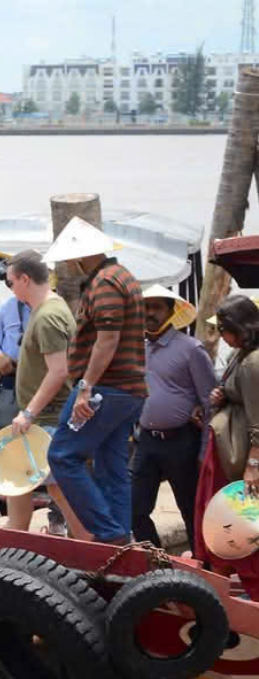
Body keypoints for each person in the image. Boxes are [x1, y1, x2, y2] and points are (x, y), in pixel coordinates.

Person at [45, 217, 147, 545]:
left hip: (106, 389)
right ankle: (120, 538)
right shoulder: (123, 276)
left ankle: (109, 534)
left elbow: (107, 340)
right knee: (111, 465)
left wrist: (85, 388)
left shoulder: (104, 283)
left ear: (80, 255)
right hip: (127, 391)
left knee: (62, 456)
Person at [3, 250, 84, 536]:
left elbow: (58, 371)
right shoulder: (50, 308)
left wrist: (29, 412)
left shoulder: (48, 316)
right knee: (20, 480)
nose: (10, 289)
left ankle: (91, 546)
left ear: (24, 279)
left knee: (57, 486)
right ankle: (15, 535)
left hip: (49, 416)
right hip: (43, 416)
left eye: (9, 282)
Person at [131, 285, 214, 548]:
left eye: (156, 307)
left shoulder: (191, 349)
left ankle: (203, 570)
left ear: (170, 311)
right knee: (134, 508)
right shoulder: (138, 348)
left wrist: (204, 450)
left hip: (182, 442)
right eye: (146, 307)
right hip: (147, 441)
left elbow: (210, 401)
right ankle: (157, 568)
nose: (150, 313)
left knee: (190, 509)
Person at [195, 295, 259, 596]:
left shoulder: (253, 362)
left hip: (238, 455)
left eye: (224, 328)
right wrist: (224, 396)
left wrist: (252, 465)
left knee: (235, 521)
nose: (221, 334)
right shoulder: (242, 356)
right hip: (226, 448)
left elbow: (258, 419)